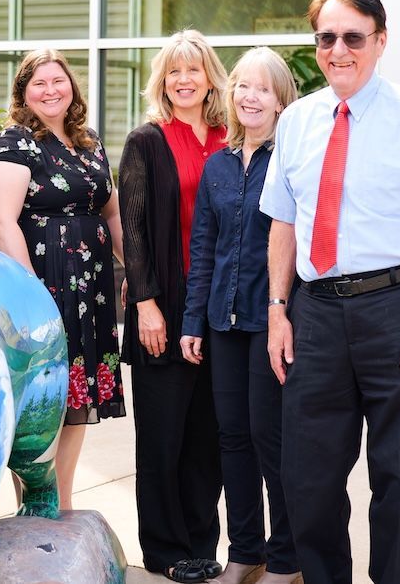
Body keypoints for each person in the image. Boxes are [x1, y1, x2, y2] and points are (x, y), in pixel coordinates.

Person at [260, 0, 400, 584]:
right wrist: (279, 311)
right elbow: (283, 221)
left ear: (380, 42)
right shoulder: (299, 121)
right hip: (316, 315)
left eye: (353, 37)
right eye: (326, 38)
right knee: (308, 479)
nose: (338, 50)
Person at [0, 49, 127, 510]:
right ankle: (34, 506)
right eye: (39, 83)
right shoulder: (14, 143)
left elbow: (112, 211)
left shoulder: (89, 143)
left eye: (58, 81)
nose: (50, 90)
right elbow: (3, 222)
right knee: (41, 402)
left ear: (72, 88)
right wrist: (32, 299)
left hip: (92, 284)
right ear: (24, 93)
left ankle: (61, 504)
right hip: (42, 284)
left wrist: (140, 277)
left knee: (76, 397)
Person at [179, 47, 301, 584]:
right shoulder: (218, 165)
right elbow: (203, 247)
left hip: (272, 320)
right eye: (243, 87)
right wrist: (192, 321)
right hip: (223, 321)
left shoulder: (291, 161)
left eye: (263, 89)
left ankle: (286, 559)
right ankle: (245, 553)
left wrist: (289, 314)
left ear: (280, 100)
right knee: (232, 437)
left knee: (269, 438)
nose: (251, 97)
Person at [118, 29, 228, 584]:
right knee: (163, 436)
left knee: (208, 438)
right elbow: (132, 230)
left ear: (210, 77)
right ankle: (164, 550)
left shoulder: (233, 138)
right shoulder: (147, 141)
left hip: (221, 309)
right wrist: (147, 304)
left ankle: (202, 544)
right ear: (162, 80)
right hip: (166, 302)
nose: (184, 80)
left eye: (194, 69)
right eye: (173, 71)